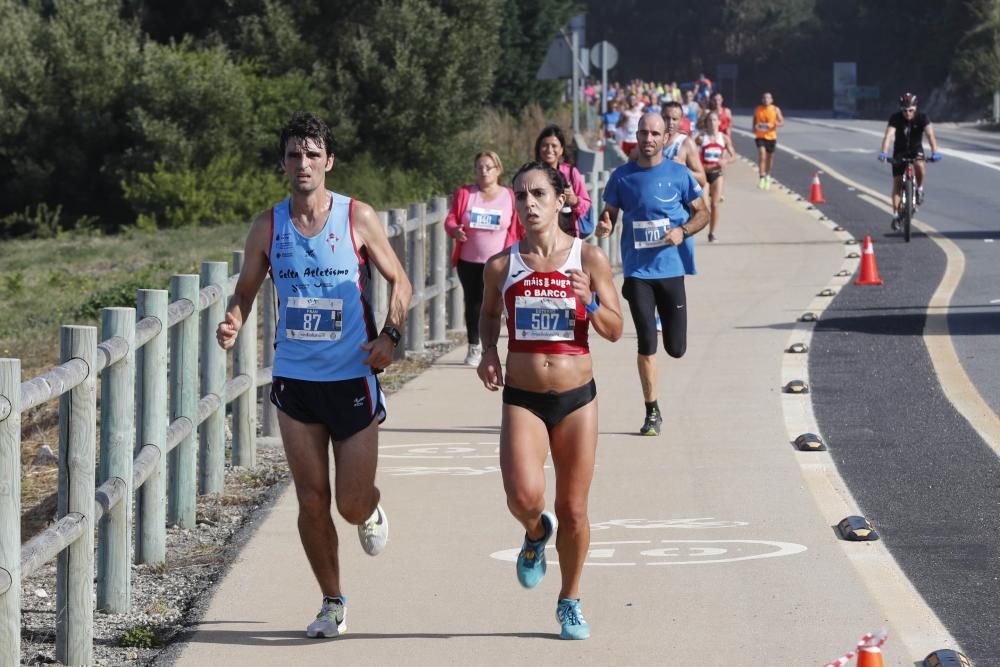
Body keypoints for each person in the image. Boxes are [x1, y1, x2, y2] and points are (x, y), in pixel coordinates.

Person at [216, 111, 412, 638]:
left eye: (312, 154)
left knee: (349, 503)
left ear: (329, 160)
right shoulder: (269, 225)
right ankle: (332, 601)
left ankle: (370, 508)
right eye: (294, 155)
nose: (303, 163)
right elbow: (246, 291)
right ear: (283, 163)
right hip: (295, 383)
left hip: (352, 378)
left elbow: (401, 283)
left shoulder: (358, 218)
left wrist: (390, 337)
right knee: (310, 500)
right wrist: (235, 316)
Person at [477, 161, 623, 640]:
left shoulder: (590, 259)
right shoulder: (502, 264)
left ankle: (570, 599)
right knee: (523, 497)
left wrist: (590, 302)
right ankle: (537, 535)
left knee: (575, 510)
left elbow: (616, 331)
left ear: (561, 200)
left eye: (538, 193)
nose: (528, 203)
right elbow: (488, 312)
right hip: (523, 397)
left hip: (577, 399)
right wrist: (489, 354)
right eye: (520, 196)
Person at [595, 113, 709, 436]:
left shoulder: (680, 174)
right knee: (646, 338)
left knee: (676, 348)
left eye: (654, 134)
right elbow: (610, 215)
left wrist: (683, 231)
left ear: (665, 137)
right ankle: (652, 411)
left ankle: (670, 343)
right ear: (637, 136)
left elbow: (703, 212)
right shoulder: (622, 177)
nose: (648, 139)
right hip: (637, 272)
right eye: (643, 133)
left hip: (671, 270)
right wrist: (605, 223)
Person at [445, 151, 521, 366]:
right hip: (469, 260)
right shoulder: (465, 193)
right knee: (474, 302)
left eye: (488, 167)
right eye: (479, 167)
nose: (484, 171)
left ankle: (502, 346)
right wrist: (454, 230)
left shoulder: (510, 195)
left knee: (501, 303)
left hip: (501, 261)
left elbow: (518, 226)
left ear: (498, 170)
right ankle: (474, 346)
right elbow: (451, 218)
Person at [878, 92, 942, 230]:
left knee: (919, 164)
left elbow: (930, 135)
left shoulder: (922, 117)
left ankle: (919, 189)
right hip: (899, 151)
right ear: (901, 109)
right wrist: (883, 152)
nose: (908, 113)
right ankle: (895, 215)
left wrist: (935, 152)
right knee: (897, 182)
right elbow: (888, 135)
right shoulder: (895, 118)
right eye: (905, 111)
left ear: (916, 108)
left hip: (915, 149)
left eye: (911, 110)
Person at [535, 125, 593, 238]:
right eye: (545, 145)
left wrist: (574, 200)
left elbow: (587, 205)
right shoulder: (532, 174)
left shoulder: (571, 173)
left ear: (561, 149)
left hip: (568, 235)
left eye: (554, 146)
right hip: (540, 235)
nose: (549, 150)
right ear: (539, 148)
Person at [697, 111, 736, 242]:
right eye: (709, 120)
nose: (712, 123)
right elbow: (690, 151)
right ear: (706, 123)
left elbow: (733, 157)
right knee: (706, 207)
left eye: (714, 120)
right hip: (703, 175)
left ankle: (712, 233)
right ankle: (701, 226)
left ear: (719, 122)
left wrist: (726, 161)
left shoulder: (724, 138)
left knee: (715, 204)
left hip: (717, 174)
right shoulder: (701, 137)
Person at [661, 101, 708, 189]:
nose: (670, 122)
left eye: (674, 119)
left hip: (676, 199)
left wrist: (684, 170)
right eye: (666, 118)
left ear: (681, 121)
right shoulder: (652, 139)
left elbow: (702, 180)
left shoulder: (686, 143)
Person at [752, 91, 784, 190]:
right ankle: (761, 177)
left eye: (768, 98)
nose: (766, 100)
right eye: (764, 98)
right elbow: (755, 120)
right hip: (760, 136)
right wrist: (754, 127)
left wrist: (775, 124)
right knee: (762, 155)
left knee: (770, 158)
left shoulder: (775, 109)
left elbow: (782, 122)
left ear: (771, 100)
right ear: (762, 100)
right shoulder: (758, 109)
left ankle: (768, 176)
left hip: (771, 137)